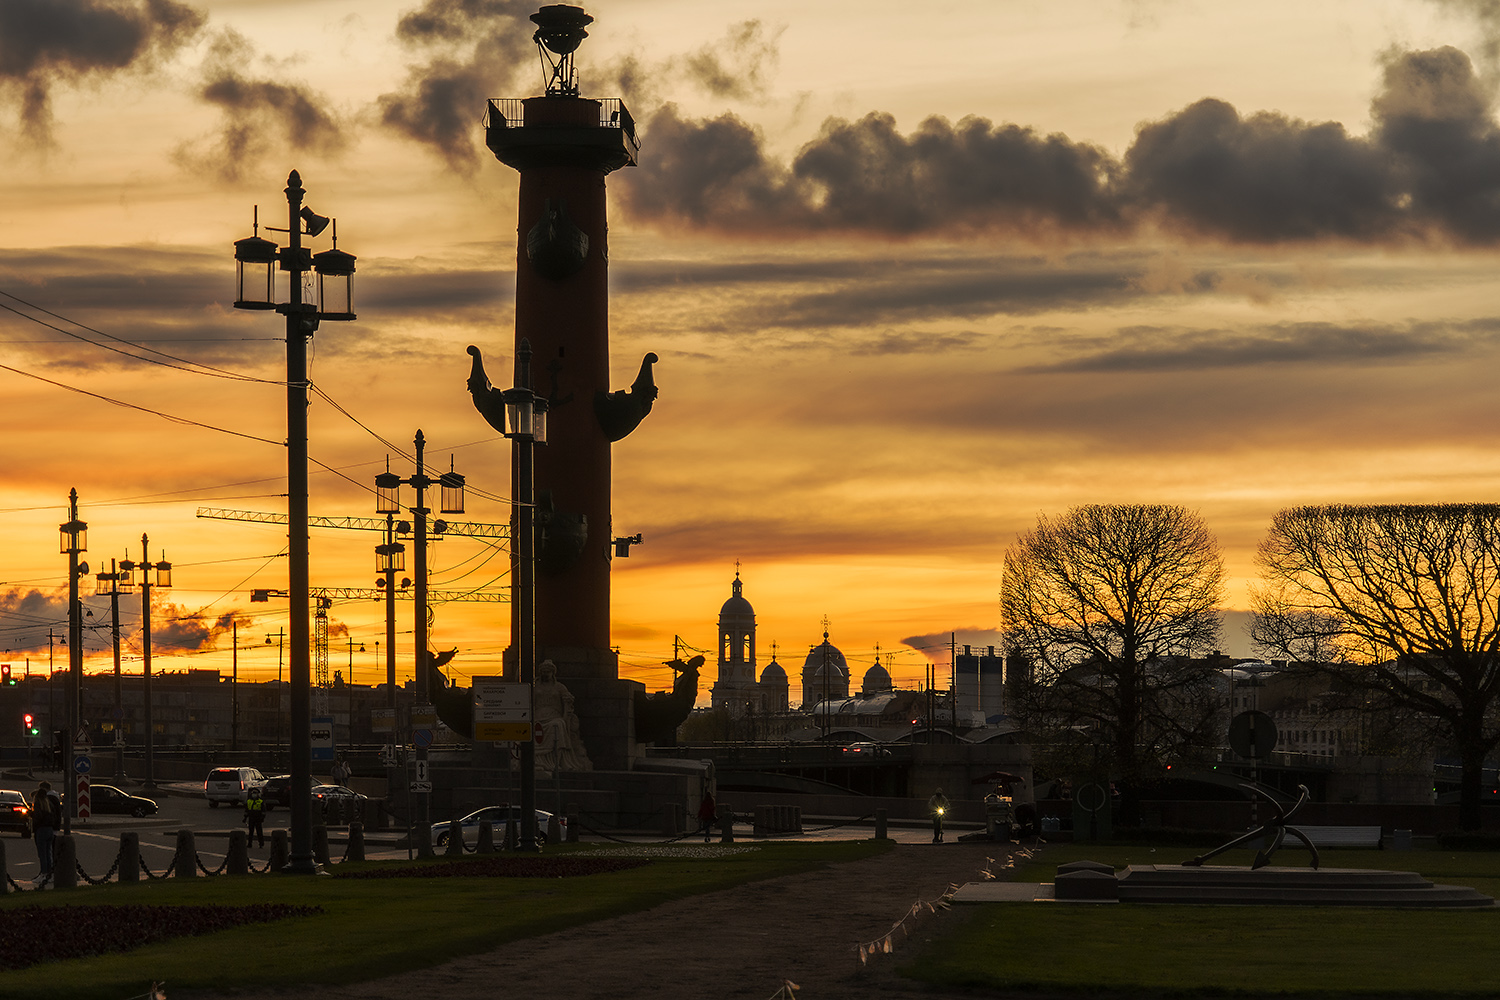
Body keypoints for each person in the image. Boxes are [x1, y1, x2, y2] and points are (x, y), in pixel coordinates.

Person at [32, 780, 60, 878]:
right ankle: (49, 873)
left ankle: (44, 874)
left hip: (41, 830)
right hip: (49, 830)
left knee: (42, 853)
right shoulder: (49, 803)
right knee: (48, 853)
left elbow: (38, 817)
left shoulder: (39, 803)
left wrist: (33, 819)